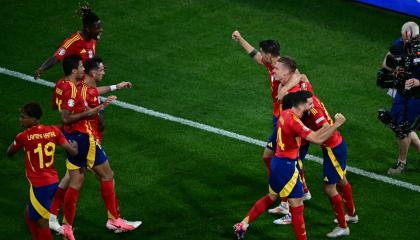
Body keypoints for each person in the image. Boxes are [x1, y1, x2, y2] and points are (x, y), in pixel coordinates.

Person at [234, 91, 347, 240]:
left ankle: (243, 224)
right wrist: (336, 124)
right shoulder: (295, 122)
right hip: (287, 168)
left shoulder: (286, 113)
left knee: (271, 197)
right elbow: (317, 139)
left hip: (277, 163)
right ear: (301, 105)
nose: (312, 106)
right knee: (297, 206)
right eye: (309, 103)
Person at [48, 57, 138, 234]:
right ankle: (114, 220)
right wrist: (95, 110)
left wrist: (115, 87)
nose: (82, 68)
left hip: (71, 135)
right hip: (84, 137)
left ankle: (55, 218)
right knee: (106, 175)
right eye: (81, 66)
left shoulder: (64, 84)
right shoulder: (77, 91)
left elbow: (91, 92)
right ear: (85, 71)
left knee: (72, 180)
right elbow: (69, 114)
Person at [232, 31, 309, 216]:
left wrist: (284, 92)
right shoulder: (271, 64)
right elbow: (256, 57)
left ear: (269, 54)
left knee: (277, 158)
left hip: (287, 119)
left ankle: (288, 198)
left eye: (262, 52)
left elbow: (302, 78)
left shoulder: (285, 68)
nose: (261, 55)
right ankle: (295, 192)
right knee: (273, 157)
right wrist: (241, 39)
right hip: (279, 117)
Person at [5, 102, 78, 240]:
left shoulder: (23, 136)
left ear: (33, 119)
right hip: (51, 181)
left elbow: (9, 152)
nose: (20, 119)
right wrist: (75, 147)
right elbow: (72, 151)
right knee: (29, 214)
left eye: (23, 117)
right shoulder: (54, 131)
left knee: (42, 221)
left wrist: (17, 144)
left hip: (40, 186)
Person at [382, 22, 420, 174]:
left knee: (402, 128)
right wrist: (396, 70)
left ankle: (401, 163)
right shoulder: (399, 43)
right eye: (404, 38)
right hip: (403, 92)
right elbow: (386, 62)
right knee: (398, 124)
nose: (405, 42)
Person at [34, 3, 103, 79]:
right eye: (97, 28)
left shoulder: (92, 38)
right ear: (88, 29)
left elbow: (88, 57)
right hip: (76, 84)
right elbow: (56, 58)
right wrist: (41, 69)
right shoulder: (73, 41)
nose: (101, 30)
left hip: (87, 81)